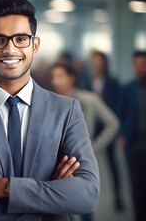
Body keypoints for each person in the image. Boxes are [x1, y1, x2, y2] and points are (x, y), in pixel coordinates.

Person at [0, 0, 99, 220]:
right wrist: (51, 197)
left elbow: (87, 195)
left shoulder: (66, 111)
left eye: (20, 39)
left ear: (34, 45)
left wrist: (8, 188)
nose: (10, 49)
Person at [50, 62, 119, 221]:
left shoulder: (89, 99)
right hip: (59, 162)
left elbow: (113, 123)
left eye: (60, 77)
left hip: (82, 161)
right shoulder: (51, 101)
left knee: (85, 206)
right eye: (53, 77)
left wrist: (93, 147)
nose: (56, 81)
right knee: (65, 208)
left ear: (71, 78)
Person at [88, 50, 124, 211]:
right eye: (93, 61)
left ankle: (118, 195)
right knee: (90, 162)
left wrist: (118, 130)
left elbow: (118, 105)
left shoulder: (112, 82)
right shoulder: (88, 82)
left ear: (104, 62)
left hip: (108, 124)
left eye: (98, 61)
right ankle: (90, 195)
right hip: (93, 126)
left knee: (112, 162)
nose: (95, 64)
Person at [119, 51, 146, 221]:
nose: (139, 68)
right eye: (136, 65)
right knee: (136, 186)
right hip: (134, 143)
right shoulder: (127, 89)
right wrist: (121, 134)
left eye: (143, 65)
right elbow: (120, 113)